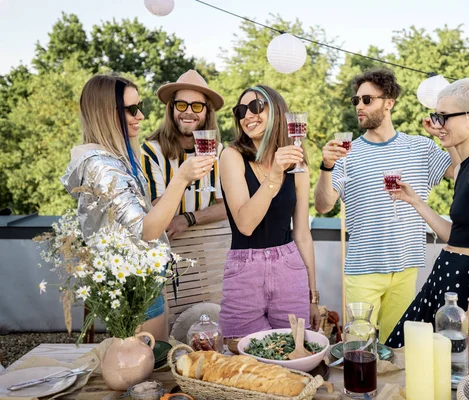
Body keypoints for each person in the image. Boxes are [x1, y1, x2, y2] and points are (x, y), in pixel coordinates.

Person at [62, 74, 215, 341]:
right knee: (148, 369)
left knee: (155, 363)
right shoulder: (102, 166)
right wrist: (181, 178)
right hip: (133, 286)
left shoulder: (118, 157)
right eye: (131, 109)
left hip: (146, 280)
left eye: (139, 106)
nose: (141, 115)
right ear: (106, 114)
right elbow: (146, 230)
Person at [314, 68, 459, 343]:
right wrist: (326, 166)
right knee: (358, 349)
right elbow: (323, 206)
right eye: (356, 100)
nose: (359, 106)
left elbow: (461, 170)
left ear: (388, 102)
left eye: (367, 99)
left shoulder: (420, 148)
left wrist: (443, 135)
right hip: (362, 270)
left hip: (406, 268)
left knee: (396, 349)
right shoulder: (346, 155)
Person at [385, 78, 469, 352]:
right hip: (444, 280)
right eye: (436, 116)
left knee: (437, 374)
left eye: (444, 117)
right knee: (399, 356)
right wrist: (414, 201)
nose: (438, 124)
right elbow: (456, 236)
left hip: (465, 289)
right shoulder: (468, 165)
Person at [218, 85, 321, 338]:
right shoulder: (231, 156)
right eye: (241, 110)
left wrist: (313, 296)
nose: (247, 115)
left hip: (290, 268)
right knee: (240, 361)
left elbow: (303, 235)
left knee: (293, 356)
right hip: (244, 272)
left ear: (276, 111)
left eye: (256, 107)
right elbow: (245, 224)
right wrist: (275, 174)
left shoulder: (297, 164)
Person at [141, 70, 227, 239]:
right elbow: (156, 211)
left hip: (201, 241)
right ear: (171, 109)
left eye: (196, 106)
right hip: (162, 244)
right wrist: (184, 177)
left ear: (206, 112)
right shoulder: (151, 151)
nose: (188, 112)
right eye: (181, 105)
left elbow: (227, 206)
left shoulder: (217, 151)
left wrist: (189, 218)